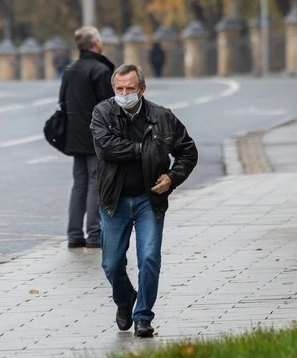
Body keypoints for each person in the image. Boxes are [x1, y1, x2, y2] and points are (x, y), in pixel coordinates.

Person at [91, 63, 198, 338]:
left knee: (149, 257)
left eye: (130, 88)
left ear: (142, 88)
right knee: (112, 264)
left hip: (149, 199)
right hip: (114, 199)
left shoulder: (162, 117)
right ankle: (125, 299)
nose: (124, 93)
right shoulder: (103, 112)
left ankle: (143, 316)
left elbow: (188, 151)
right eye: (119, 89)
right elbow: (106, 146)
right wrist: (142, 148)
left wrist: (173, 178)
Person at [60, 26, 115, 249]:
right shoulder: (100, 70)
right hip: (96, 136)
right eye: (100, 39)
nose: (102, 43)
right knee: (96, 183)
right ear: (94, 44)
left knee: (79, 184)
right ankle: (94, 234)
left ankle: (74, 235)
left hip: (74, 136)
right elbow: (109, 106)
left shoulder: (71, 69)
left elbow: (63, 102)